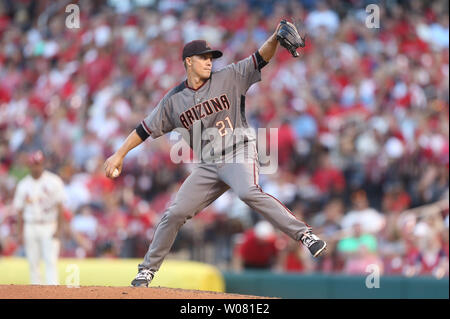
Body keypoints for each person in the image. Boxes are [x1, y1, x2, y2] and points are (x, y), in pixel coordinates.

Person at [104, 21, 327, 287]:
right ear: (188, 62)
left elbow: (259, 58)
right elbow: (144, 129)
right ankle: (147, 271)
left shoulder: (229, 76)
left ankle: (305, 236)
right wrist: (119, 154)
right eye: (204, 58)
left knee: (247, 192)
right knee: (175, 213)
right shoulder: (174, 100)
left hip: (238, 151)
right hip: (208, 165)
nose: (210, 62)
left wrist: (275, 39)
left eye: (211, 57)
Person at [13, 150, 67, 285]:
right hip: (30, 225)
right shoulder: (23, 184)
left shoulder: (54, 181)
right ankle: (35, 292)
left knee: (51, 261)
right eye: (33, 164)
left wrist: (59, 229)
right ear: (29, 166)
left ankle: (52, 291)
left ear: (43, 164)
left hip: (49, 224)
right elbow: (19, 211)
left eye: (38, 164)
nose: (36, 167)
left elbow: (60, 207)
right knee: (33, 262)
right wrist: (20, 232)